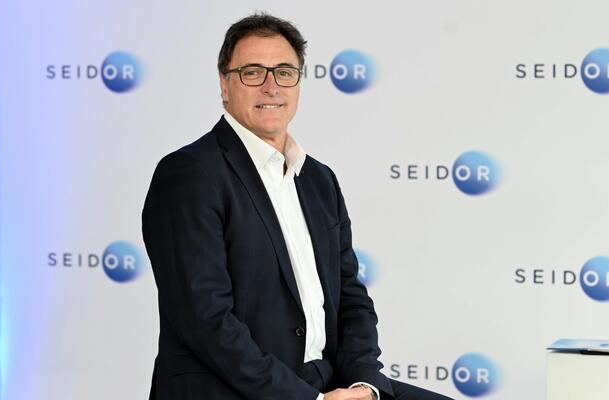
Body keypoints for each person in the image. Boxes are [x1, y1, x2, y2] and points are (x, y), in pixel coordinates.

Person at [142, 12, 453, 400]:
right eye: (253, 72)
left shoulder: (319, 180)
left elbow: (351, 299)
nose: (271, 86)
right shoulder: (189, 174)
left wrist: (364, 384)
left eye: (284, 72)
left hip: (324, 380)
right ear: (225, 84)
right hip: (231, 388)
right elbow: (206, 322)